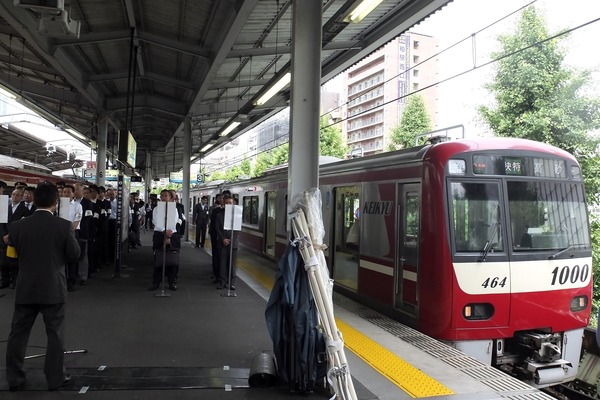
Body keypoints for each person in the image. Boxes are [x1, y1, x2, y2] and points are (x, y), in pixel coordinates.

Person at [5, 182, 80, 392]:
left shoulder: (17, 226)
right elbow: (75, 255)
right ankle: (55, 378)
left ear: (34, 200)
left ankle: (15, 378)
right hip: (53, 288)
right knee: (55, 335)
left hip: (26, 287)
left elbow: (13, 254)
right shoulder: (63, 226)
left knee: (18, 335)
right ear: (55, 203)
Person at [149, 189, 180, 291]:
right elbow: (155, 221)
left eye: (166, 196)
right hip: (159, 234)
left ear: (171, 198)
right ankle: (156, 282)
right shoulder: (156, 209)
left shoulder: (174, 209)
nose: (163, 198)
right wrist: (164, 232)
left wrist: (168, 235)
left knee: (172, 258)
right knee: (158, 259)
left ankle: (172, 281)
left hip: (172, 234)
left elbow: (175, 221)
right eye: (162, 196)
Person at [215, 195, 238, 290]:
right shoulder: (219, 216)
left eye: (230, 203)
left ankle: (231, 283)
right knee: (222, 263)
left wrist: (230, 239)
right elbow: (217, 228)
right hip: (222, 243)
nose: (228, 204)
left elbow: (237, 230)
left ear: (233, 204)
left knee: (232, 264)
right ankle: (222, 282)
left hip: (233, 243)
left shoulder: (237, 216)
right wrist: (223, 239)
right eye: (227, 203)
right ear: (223, 204)